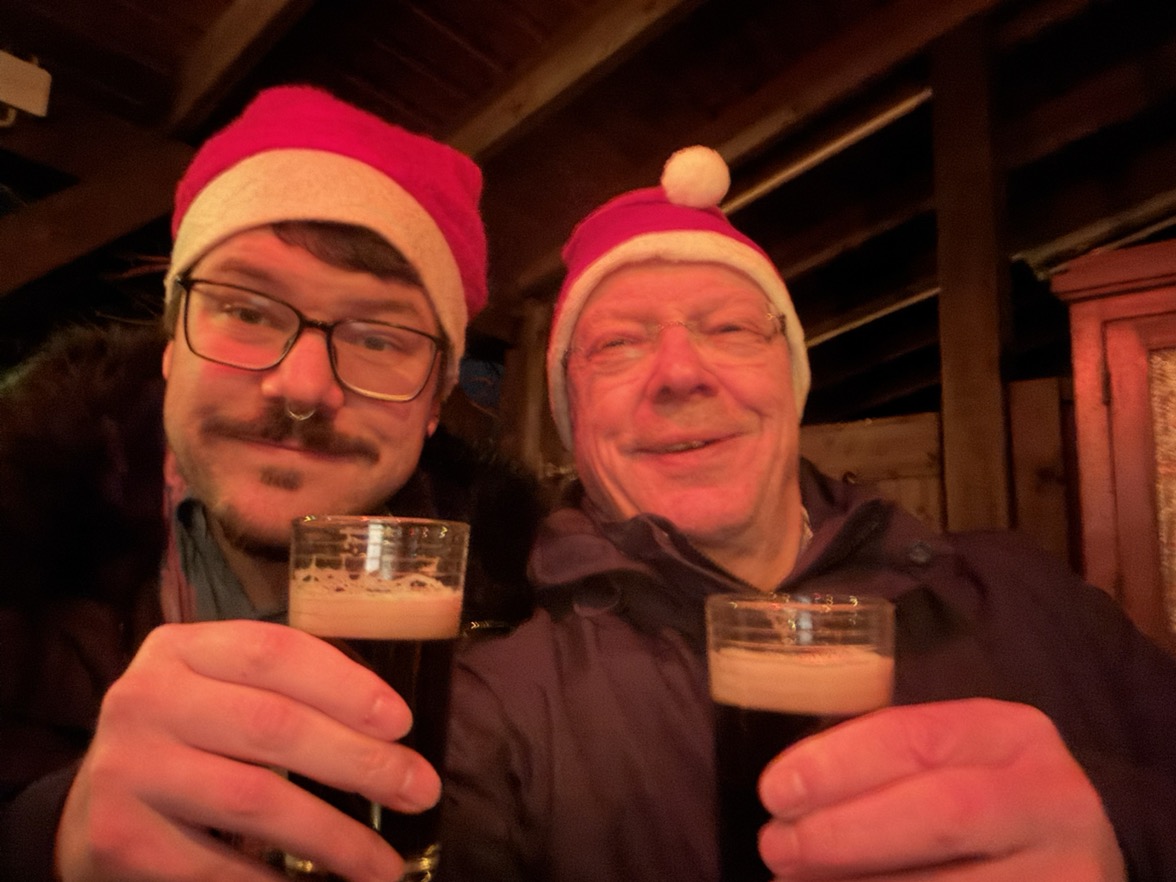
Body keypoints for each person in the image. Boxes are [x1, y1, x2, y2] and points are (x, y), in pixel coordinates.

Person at [438, 145, 1176, 881]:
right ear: (574, 420)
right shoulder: (493, 705)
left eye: (729, 328)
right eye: (618, 345)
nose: (681, 373)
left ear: (790, 385)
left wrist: (1122, 835)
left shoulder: (1027, 595)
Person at [0, 85, 538, 882]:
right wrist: (43, 840)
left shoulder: (522, 624)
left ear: (433, 405)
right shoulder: (17, 545)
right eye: (248, 311)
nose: (304, 386)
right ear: (172, 345)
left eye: (379, 338)